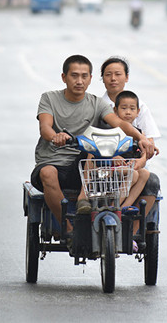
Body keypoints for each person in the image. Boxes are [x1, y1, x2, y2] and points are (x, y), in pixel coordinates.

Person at [31, 55, 154, 235]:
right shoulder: (49, 98)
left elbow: (120, 124)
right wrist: (56, 136)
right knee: (47, 173)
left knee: (96, 149)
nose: (79, 81)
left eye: (84, 76)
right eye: (74, 75)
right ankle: (69, 231)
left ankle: (94, 206)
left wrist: (140, 137)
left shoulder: (97, 103)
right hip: (53, 163)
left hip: (83, 166)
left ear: (90, 78)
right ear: (64, 77)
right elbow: (45, 127)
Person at [100, 56, 161, 219]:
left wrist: (140, 162)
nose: (113, 78)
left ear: (126, 77)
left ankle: (133, 233)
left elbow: (149, 143)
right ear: (102, 79)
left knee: (152, 181)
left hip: (135, 163)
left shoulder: (140, 106)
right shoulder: (98, 105)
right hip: (107, 163)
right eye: (108, 74)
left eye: (118, 74)